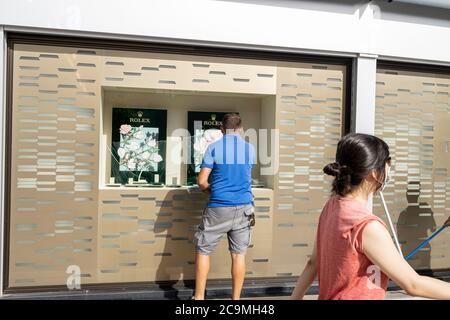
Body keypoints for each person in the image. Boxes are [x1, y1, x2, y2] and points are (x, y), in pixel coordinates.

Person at [291, 133, 450, 300]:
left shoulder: (331, 207)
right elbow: (413, 284)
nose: (389, 169)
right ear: (374, 172)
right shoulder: (368, 226)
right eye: (388, 162)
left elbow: (312, 264)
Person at [193, 113, 256, 300]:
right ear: (240, 129)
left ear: (221, 129)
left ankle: (198, 298)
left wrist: (211, 190)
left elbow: (202, 181)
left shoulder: (214, 147)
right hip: (245, 207)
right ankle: (235, 301)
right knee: (238, 255)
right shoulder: (249, 149)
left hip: (219, 207)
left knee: (203, 250)